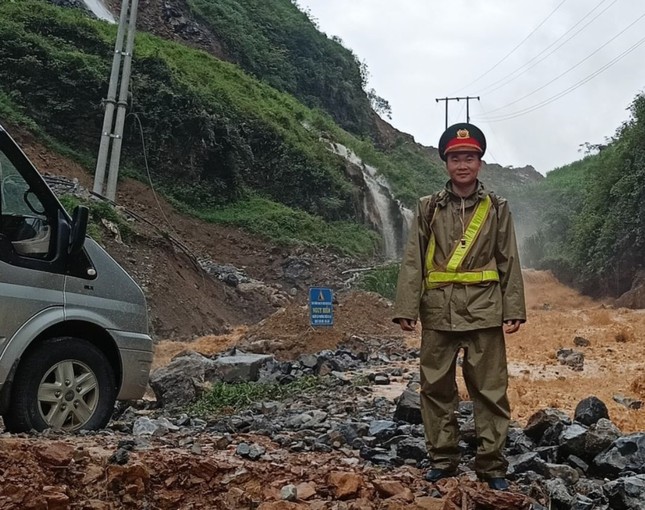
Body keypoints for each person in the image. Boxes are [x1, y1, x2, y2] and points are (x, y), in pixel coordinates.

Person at [392, 122, 526, 491]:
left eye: (469, 157)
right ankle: (443, 460)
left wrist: (514, 308)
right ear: (446, 163)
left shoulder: (497, 208)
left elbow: (508, 259)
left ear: (480, 162)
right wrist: (406, 306)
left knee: (489, 389)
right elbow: (413, 259)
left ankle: (492, 466)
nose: (462, 164)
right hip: (437, 311)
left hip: (485, 310)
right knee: (435, 388)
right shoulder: (427, 208)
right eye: (455, 158)